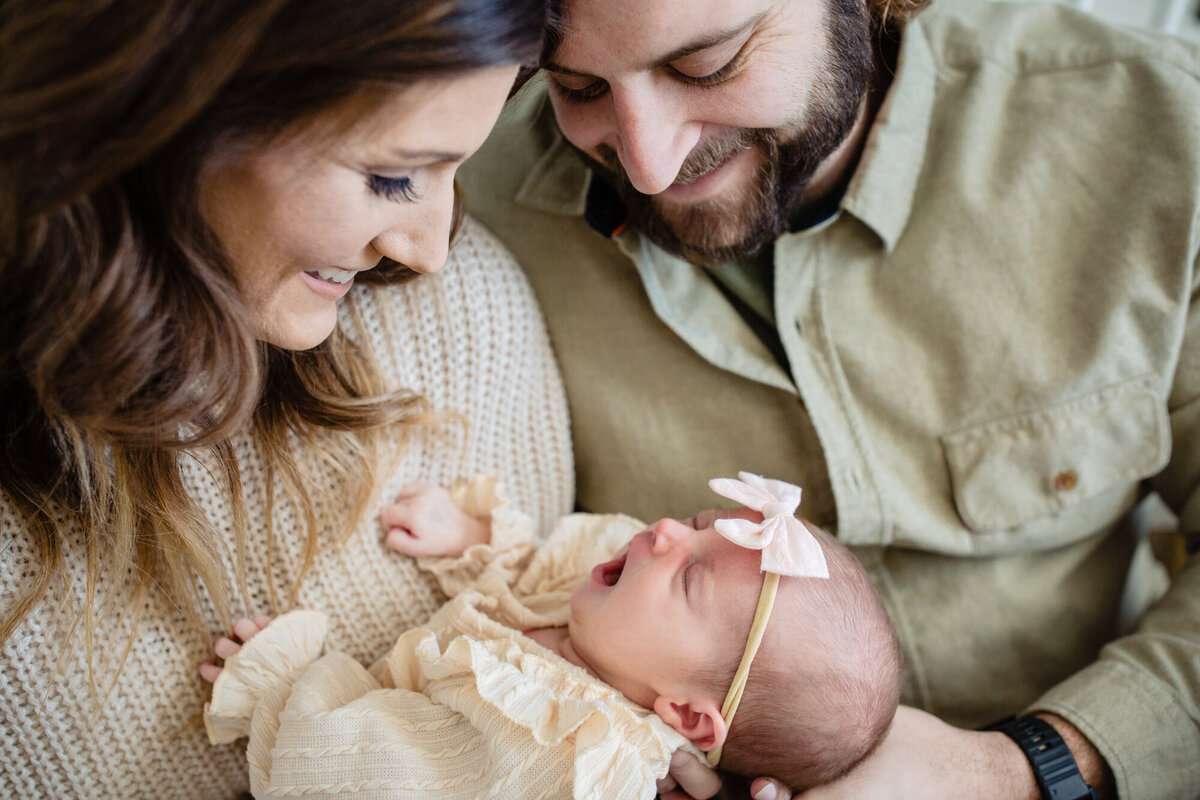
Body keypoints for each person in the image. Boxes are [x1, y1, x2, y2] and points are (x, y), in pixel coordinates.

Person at [457, 0, 1200, 797]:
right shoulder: (467, 210)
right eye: (578, 88)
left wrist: (1029, 767)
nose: (648, 164)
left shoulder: (1155, 128)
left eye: (704, 65)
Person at [0, 2, 574, 798]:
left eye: (456, 169)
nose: (430, 251)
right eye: (393, 177)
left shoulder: (456, 320)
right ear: (181, 107)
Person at [199, 473, 903, 798]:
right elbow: (544, 562)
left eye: (690, 577)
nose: (665, 534)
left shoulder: (563, 757)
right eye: (695, 524)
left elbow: (383, 772)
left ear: (684, 714)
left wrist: (286, 688)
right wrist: (474, 539)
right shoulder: (611, 595)